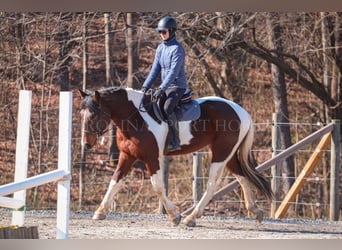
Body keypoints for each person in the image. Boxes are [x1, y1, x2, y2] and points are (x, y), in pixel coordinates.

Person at [141, 16, 188, 152]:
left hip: (177, 86)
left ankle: (176, 140)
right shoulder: (160, 48)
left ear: (172, 31)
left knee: (167, 108)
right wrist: (145, 86)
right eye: (160, 32)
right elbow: (155, 69)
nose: (161, 34)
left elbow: (173, 73)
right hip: (165, 87)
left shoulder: (178, 49)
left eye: (164, 31)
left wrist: (161, 88)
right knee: (152, 105)